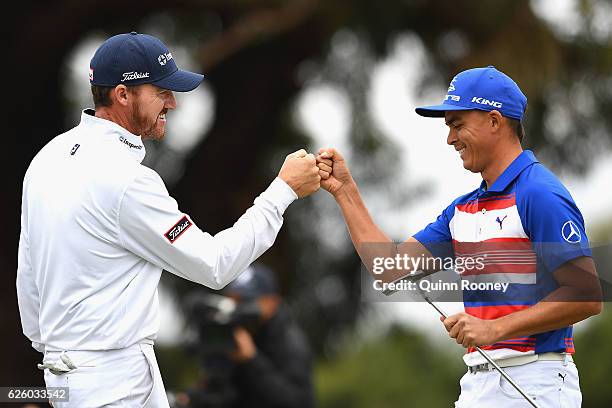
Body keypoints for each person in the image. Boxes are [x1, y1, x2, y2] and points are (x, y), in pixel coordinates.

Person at [16, 32, 326, 407]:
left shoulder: (47, 159)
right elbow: (215, 264)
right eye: (161, 91)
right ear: (122, 94)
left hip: (65, 379)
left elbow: (28, 278)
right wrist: (283, 191)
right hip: (115, 384)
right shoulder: (128, 180)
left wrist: (60, 358)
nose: (173, 104)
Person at [315, 66, 602, 407]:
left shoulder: (539, 193)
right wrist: (345, 191)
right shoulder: (462, 210)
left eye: (457, 124)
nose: (450, 138)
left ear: (495, 121)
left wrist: (493, 329)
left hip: (535, 381)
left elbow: (587, 295)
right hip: (478, 384)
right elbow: (388, 267)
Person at [177, 263, 314, 408]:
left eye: (245, 301)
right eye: (232, 300)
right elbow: (228, 395)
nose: (238, 308)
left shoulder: (290, 342)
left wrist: (251, 360)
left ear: (272, 302)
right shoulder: (234, 332)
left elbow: (299, 402)